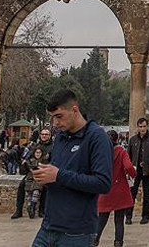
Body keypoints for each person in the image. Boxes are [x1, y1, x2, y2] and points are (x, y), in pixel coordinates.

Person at [31, 89, 113, 247]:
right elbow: (60, 175)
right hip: (48, 227)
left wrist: (59, 175)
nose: (55, 123)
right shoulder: (61, 137)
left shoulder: (97, 138)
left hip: (76, 232)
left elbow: (103, 183)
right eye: (52, 117)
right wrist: (45, 176)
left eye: (59, 116)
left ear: (74, 110)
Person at [95, 130, 135, 247]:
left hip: (105, 189)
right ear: (117, 139)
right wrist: (133, 174)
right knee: (119, 220)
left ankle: (94, 241)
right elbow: (128, 166)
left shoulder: (100, 152)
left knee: (101, 219)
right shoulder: (121, 151)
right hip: (119, 189)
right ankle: (118, 243)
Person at [13, 128, 54, 219]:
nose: (44, 136)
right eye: (42, 134)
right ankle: (18, 210)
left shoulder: (52, 147)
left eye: (46, 134)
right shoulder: (34, 145)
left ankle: (41, 210)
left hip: (45, 172)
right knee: (21, 185)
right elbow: (27, 158)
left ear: (49, 136)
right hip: (32, 172)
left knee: (45, 187)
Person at [126, 117, 149, 225]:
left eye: (144, 126)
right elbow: (128, 156)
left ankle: (145, 216)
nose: (142, 129)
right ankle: (128, 216)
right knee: (132, 193)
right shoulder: (133, 140)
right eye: (140, 127)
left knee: (147, 194)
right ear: (137, 127)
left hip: (148, 170)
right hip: (135, 170)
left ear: (147, 126)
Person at [25, 147, 50, 219]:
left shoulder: (44, 161)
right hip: (30, 179)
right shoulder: (30, 160)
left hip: (39, 179)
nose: (38, 154)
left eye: (39, 152)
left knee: (36, 190)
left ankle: (32, 207)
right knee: (30, 194)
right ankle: (30, 207)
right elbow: (29, 168)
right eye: (37, 152)